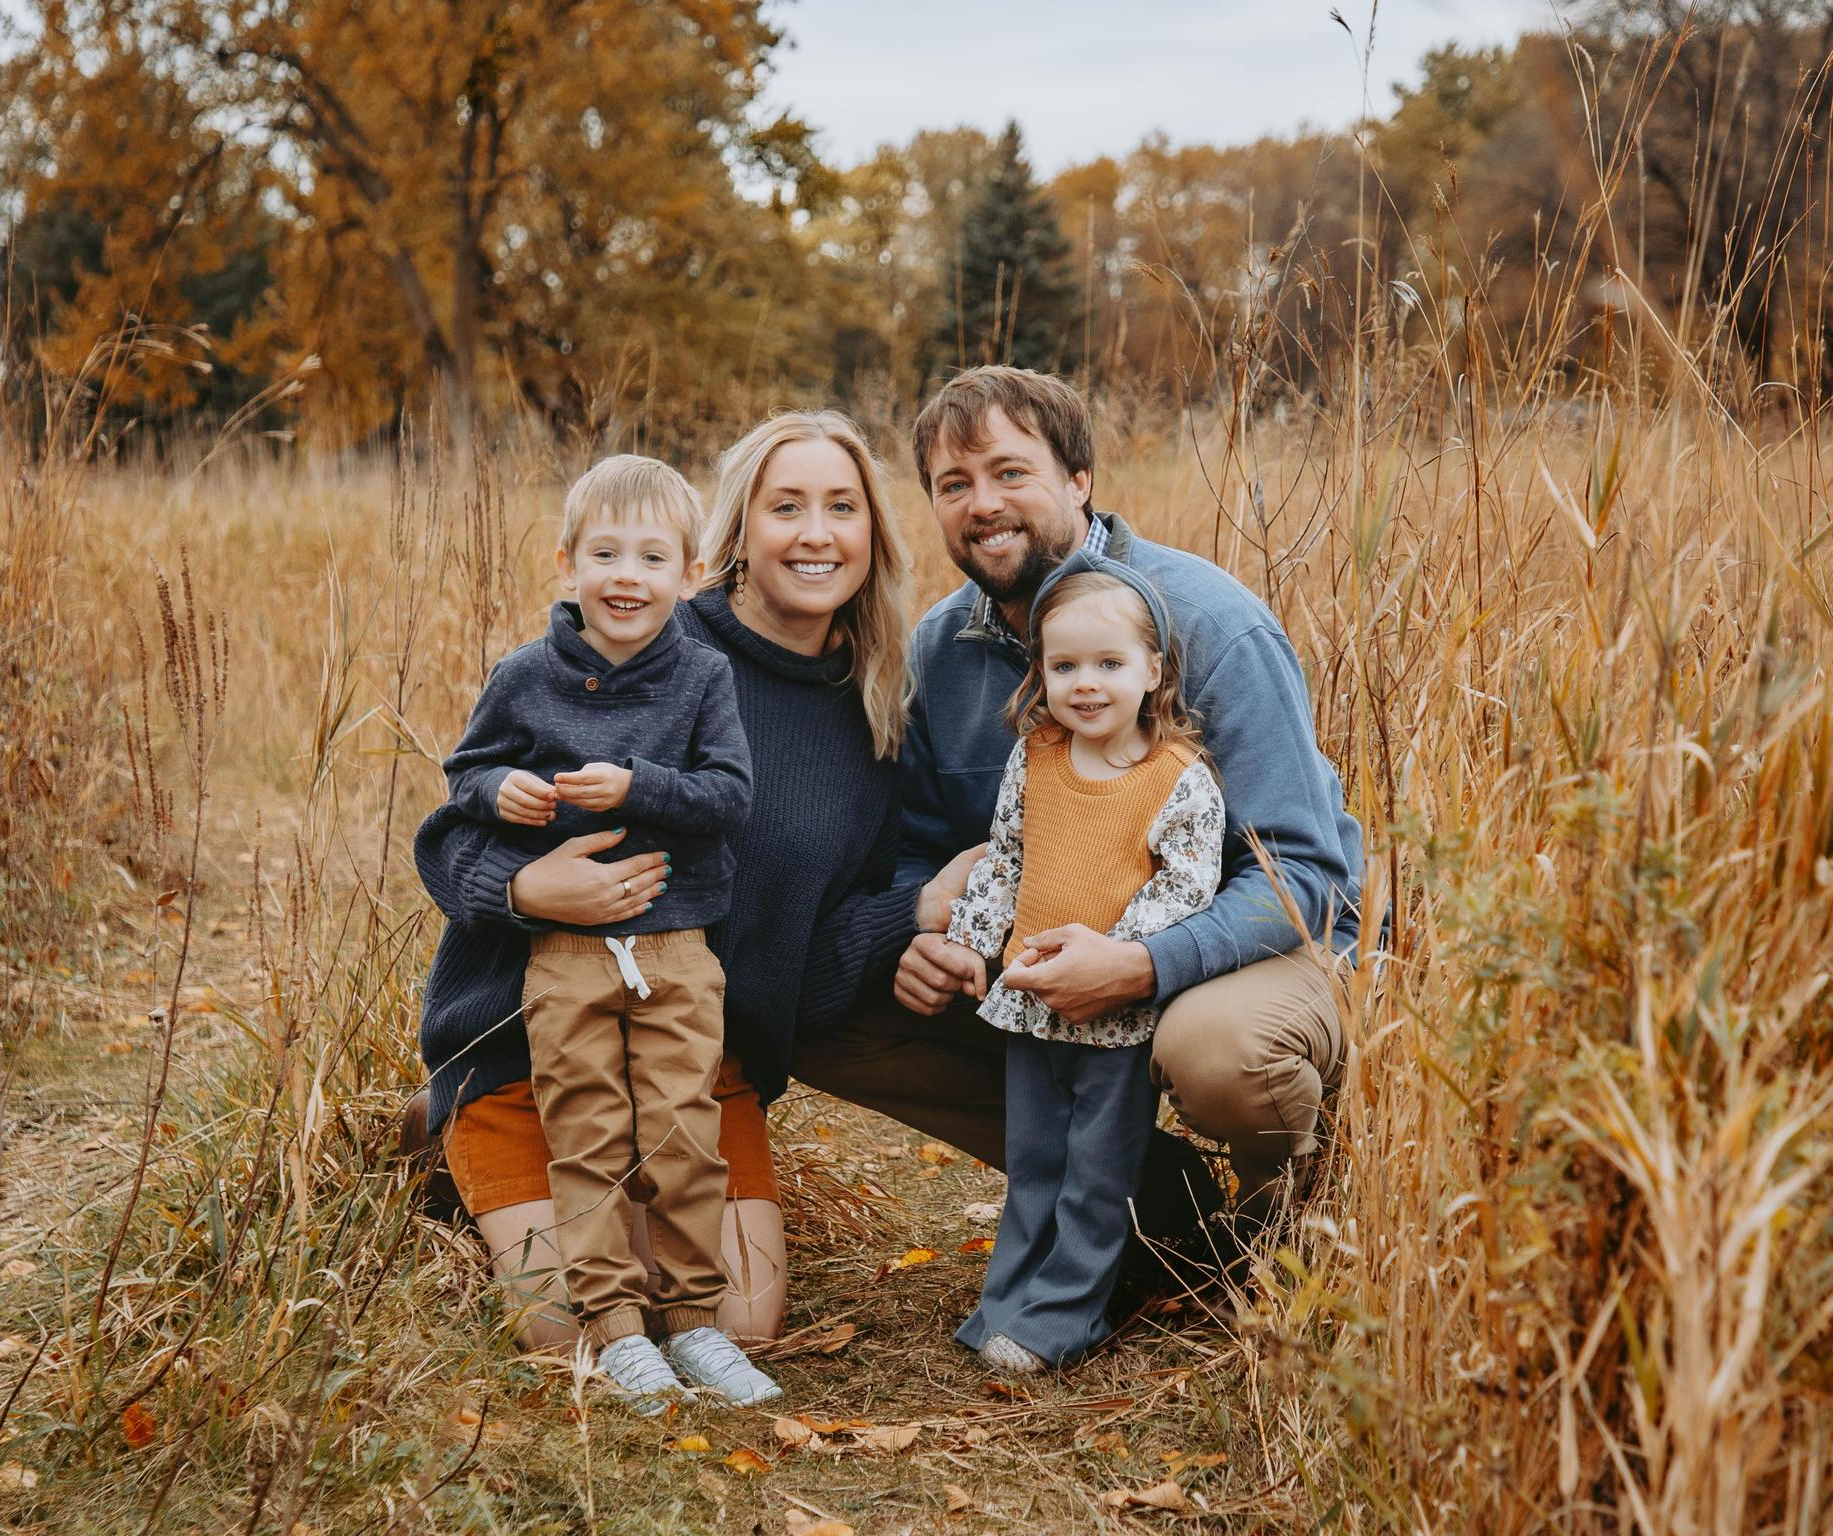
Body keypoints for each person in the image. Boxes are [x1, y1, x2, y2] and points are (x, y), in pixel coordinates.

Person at [793, 366, 1364, 1259]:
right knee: (822, 1003)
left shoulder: (1207, 623)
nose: (983, 504)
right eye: (955, 484)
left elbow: (1301, 871)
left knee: (1217, 1050)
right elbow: (919, 845)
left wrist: (1141, 964)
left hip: (1250, 945)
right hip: (1049, 957)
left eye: (1010, 473)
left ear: (1078, 481)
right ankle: (1153, 1206)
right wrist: (928, 937)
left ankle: (1289, 1225)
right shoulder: (940, 653)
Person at [410, 411, 926, 1355]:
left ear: (873, 535)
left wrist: (917, 911)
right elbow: (448, 838)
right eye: (787, 506)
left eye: (842, 507)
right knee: (573, 1332)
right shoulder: (645, 639)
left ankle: (626, 1209)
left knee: (737, 1320)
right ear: (730, 535)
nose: (816, 533)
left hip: (694, 1062)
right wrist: (529, 892)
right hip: (534, 1047)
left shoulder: (878, 708)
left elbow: (803, 955)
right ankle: (459, 1149)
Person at [429, 452, 777, 1412]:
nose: (628, 575)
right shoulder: (524, 676)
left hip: (675, 949)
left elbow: (730, 797)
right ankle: (619, 1331)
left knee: (680, 1128)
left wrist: (638, 786)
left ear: (691, 574)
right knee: (581, 1130)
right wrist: (503, 789)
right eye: (606, 554)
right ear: (566, 563)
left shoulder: (704, 676)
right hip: (562, 956)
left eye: (652, 557)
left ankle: (697, 1321)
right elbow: (466, 775)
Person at [942, 559, 1224, 1371]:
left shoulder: (1178, 778)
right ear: (1041, 675)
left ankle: (1064, 1317)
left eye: (1109, 664)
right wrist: (970, 938)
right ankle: (1009, 1302)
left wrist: (1112, 957)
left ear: (1153, 671)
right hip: (1031, 1000)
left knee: (1095, 1174)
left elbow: (1187, 885)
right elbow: (1006, 859)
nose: (1086, 684)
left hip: (1116, 1011)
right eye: (1064, 667)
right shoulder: (1037, 757)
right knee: (1034, 1161)